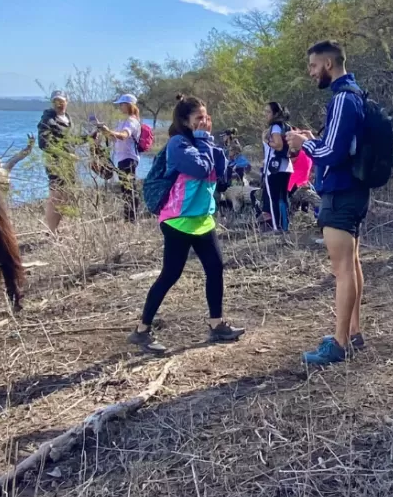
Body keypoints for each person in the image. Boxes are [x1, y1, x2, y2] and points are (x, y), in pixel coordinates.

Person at [128, 95, 244, 353]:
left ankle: (217, 324)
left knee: (215, 268)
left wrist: (214, 144)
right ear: (185, 121)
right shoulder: (178, 144)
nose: (204, 122)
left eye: (206, 117)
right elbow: (200, 169)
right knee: (170, 274)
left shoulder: (204, 143)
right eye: (198, 118)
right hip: (178, 220)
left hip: (202, 218)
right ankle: (142, 331)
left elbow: (222, 177)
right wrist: (204, 142)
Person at [287, 41, 369, 366]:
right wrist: (314, 140)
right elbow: (341, 145)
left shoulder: (342, 99)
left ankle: (338, 343)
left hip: (341, 192)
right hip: (354, 190)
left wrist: (305, 144)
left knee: (342, 270)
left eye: (313, 66)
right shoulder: (355, 94)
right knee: (353, 264)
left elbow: (332, 154)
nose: (311, 73)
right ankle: (353, 332)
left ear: (328, 65)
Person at [38, 90, 78, 232]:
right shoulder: (47, 120)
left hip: (69, 165)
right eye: (56, 101)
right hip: (55, 164)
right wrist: (65, 155)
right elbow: (44, 144)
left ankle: (56, 229)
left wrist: (91, 137)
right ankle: (51, 231)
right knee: (55, 196)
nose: (59, 104)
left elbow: (73, 141)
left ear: (67, 102)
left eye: (61, 101)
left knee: (65, 197)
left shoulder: (68, 119)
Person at [100, 93, 144, 223]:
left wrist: (109, 131)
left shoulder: (132, 121)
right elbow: (116, 138)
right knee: (125, 189)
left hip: (129, 158)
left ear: (128, 105)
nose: (120, 106)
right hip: (122, 158)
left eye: (122, 104)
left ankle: (132, 219)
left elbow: (124, 136)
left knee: (129, 188)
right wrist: (105, 132)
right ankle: (128, 218)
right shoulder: (123, 121)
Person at [262, 101, 294, 234]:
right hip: (286, 166)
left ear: (275, 113)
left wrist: (267, 140)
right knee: (283, 198)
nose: (266, 115)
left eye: (268, 112)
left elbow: (278, 145)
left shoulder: (275, 127)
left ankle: (277, 228)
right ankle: (285, 226)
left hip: (274, 168)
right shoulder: (287, 126)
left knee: (273, 198)